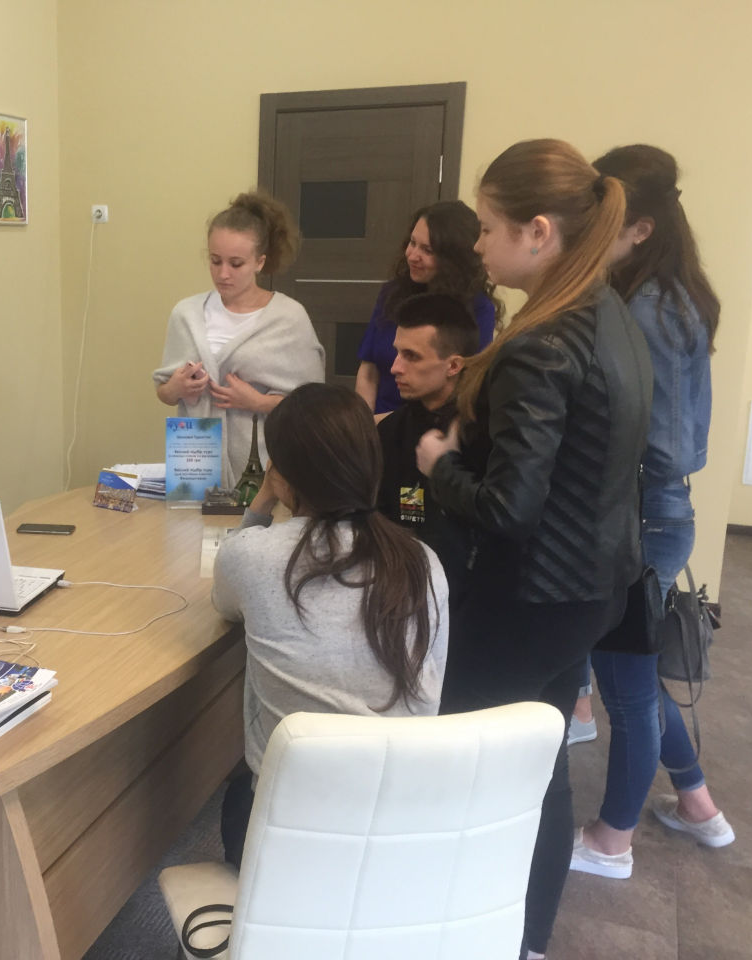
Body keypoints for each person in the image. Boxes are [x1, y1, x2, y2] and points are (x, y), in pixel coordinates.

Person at [415, 139, 652, 960]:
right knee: (541, 770)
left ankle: (451, 932)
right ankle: (525, 942)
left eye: (488, 227)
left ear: (539, 232)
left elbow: (509, 509)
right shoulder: (610, 315)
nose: (478, 245)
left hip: (529, 599)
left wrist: (441, 466)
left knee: (465, 769)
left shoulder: (541, 344)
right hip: (590, 590)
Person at [568, 145, 733, 881]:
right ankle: (697, 802)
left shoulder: (650, 309)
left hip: (640, 520)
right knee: (633, 675)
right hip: (651, 515)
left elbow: (664, 446)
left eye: (600, 219)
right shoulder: (662, 294)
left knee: (627, 689)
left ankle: (612, 841)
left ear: (639, 228)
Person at [213, 382, 448, 868]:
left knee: (236, 797)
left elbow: (223, 602)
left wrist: (261, 502)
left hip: (289, 821)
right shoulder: (422, 561)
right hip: (400, 820)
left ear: (281, 474)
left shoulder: (252, 557)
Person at [153, 191, 324, 487]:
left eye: (236, 264)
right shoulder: (186, 314)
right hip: (194, 466)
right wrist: (175, 388)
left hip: (264, 465)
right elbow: (164, 394)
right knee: (191, 519)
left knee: (256, 517)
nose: (223, 274)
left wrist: (258, 402)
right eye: (215, 261)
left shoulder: (288, 318)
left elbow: (312, 405)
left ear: (259, 262)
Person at [374, 292, 480, 601]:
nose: (395, 367)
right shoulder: (392, 431)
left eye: (411, 356)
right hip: (405, 592)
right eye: (397, 353)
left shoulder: (486, 430)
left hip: (473, 598)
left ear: (453, 365)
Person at [355, 200, 500, 416]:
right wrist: (363, 426)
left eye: (427, 250)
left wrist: (385, 425)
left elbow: (462, 393)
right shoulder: (392, 293)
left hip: (432, 424)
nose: (412, 255)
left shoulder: (478, 309)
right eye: (412, 243)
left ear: (454, 259)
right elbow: (368, 372)